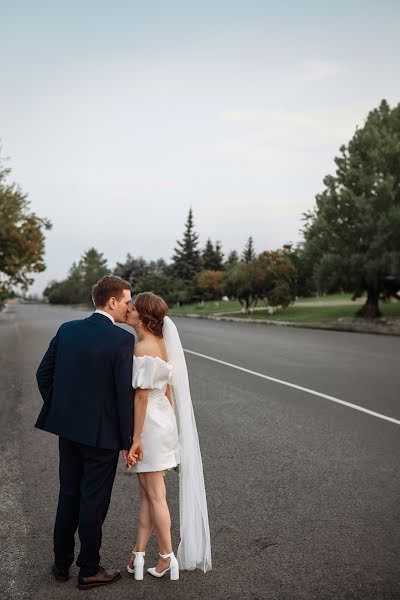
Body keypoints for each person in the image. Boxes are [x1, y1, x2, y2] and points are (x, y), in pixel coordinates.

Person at [35, 275, 140, 590]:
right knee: (93, 501)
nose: (128, 307)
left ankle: (60, 565)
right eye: (126, 301)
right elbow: (124, 396)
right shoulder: (122, 340)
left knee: (68, 494)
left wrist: (63, 410)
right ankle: (89, 569)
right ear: (111, 301)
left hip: (69, 430)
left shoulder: (68, 330)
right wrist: (127, 440)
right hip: (102, 436)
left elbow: (44, 373)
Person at [125, 292, 212, 581]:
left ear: (143, 316)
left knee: (156, 496)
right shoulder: (164, 344)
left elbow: (140, 398)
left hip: (148, 425)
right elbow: (170, 391)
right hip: (163, 422)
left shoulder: (142, 349)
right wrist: (174, 428)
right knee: (148, 496)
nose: (129, 310)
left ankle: (166, 557)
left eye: (133, 308)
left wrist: (135, 438)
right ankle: (137, 556)